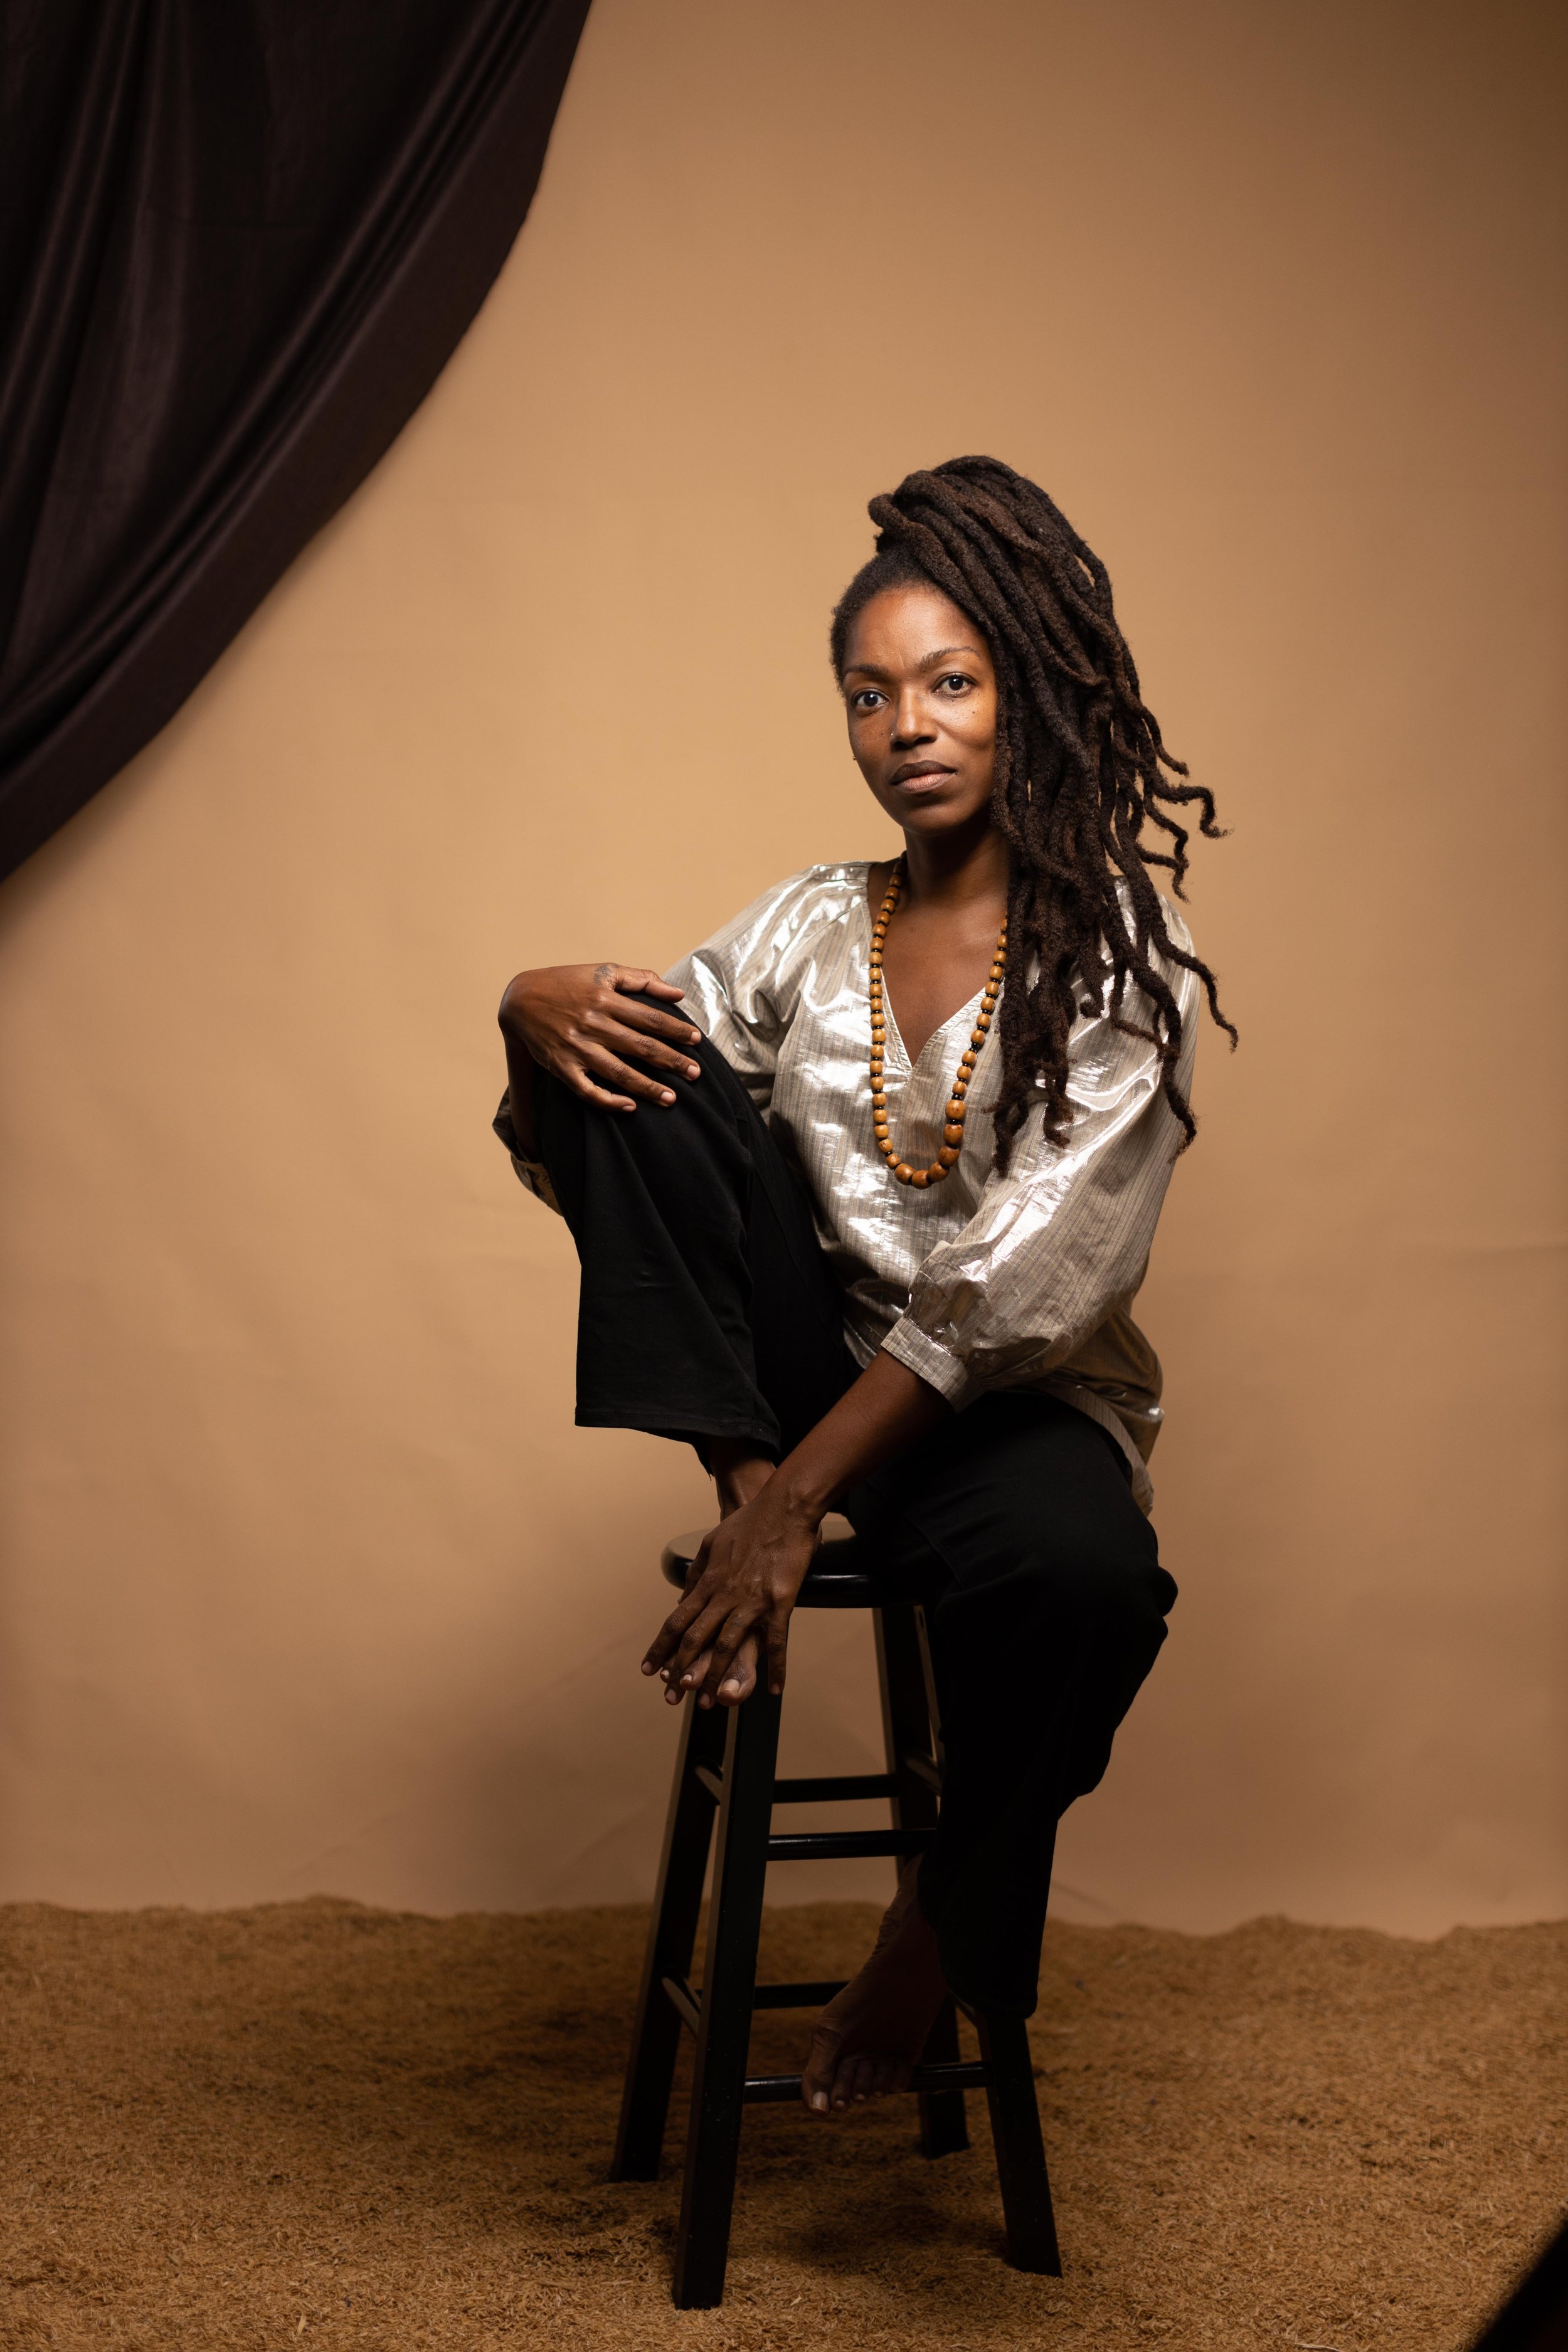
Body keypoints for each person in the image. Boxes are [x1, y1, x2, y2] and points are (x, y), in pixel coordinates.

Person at [493, 455, 1234, 2120]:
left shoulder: (1125, 951)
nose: (907, 724)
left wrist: (797, 1510)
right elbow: (638, 1150)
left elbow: (1018, 1287)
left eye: (951, 683)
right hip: (795, 1385)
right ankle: (754, 1478)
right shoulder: (808, 928)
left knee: (1093, 1582)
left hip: (997, 1421)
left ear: (1025, 696)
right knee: (628, 1039)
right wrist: (530, 1013)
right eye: (868, 692)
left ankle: (938, 1923)